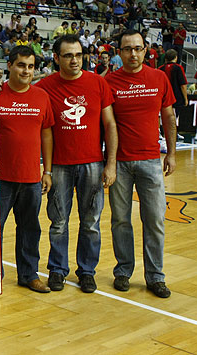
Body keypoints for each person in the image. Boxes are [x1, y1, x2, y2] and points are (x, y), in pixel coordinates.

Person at [35, 35, 118, 293]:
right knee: (58, 222)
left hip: (93, 164)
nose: (75, 60)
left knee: (90, 222)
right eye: (69, 55)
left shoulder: (98, 83)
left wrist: (111, 163)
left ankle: (87, 271)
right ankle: (58, 270)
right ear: (56, 58)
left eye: (79, 55)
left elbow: (110, 124)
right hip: (58, 165)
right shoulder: (44, 87)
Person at [104, 29, 177, 298]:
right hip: (119, 163)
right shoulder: (109, 82)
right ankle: (123, 270)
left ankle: (156, 276)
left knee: (155, 219)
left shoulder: (159, 78)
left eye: (137, 48)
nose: (133, 54)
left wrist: (171, 153)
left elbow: (168, 118)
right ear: (119, 52)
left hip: (150, 161)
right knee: (120, 220)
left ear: (146, 50)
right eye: (127, 49)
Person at [0, 45, 53, 293]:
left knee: (30, 228)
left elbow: (47, 133)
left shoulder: (41, 97)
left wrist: (47, 170)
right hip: (0, 178)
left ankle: (29, 274)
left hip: (31, 176)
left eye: (30, 66)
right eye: (21, 65)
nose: (26, 71)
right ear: (9, 66)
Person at [159, 49, 188, 139]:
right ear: (176, 57)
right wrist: (185, 98)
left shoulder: (160, 69)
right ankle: (170, 133)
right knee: (174, 116)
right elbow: (183, 85)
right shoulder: (179, 68)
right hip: (176, 97)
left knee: (162, 115)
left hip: (162, 97)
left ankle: (163, 133)